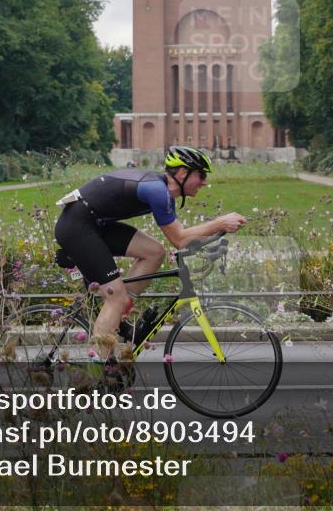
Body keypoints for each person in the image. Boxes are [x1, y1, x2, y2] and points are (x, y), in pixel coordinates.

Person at [53, 146, 246, 360]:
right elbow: (179, 240)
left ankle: (119, 315)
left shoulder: (164, 192)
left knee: (154, 252)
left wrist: (218, 233)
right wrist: (219, 222)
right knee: (116, 297)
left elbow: (182, 240)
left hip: (93, 224)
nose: (204, 182)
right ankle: (99, 369)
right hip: (77, 226)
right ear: (183, 172)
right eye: (201, 175)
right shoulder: (156, 190)